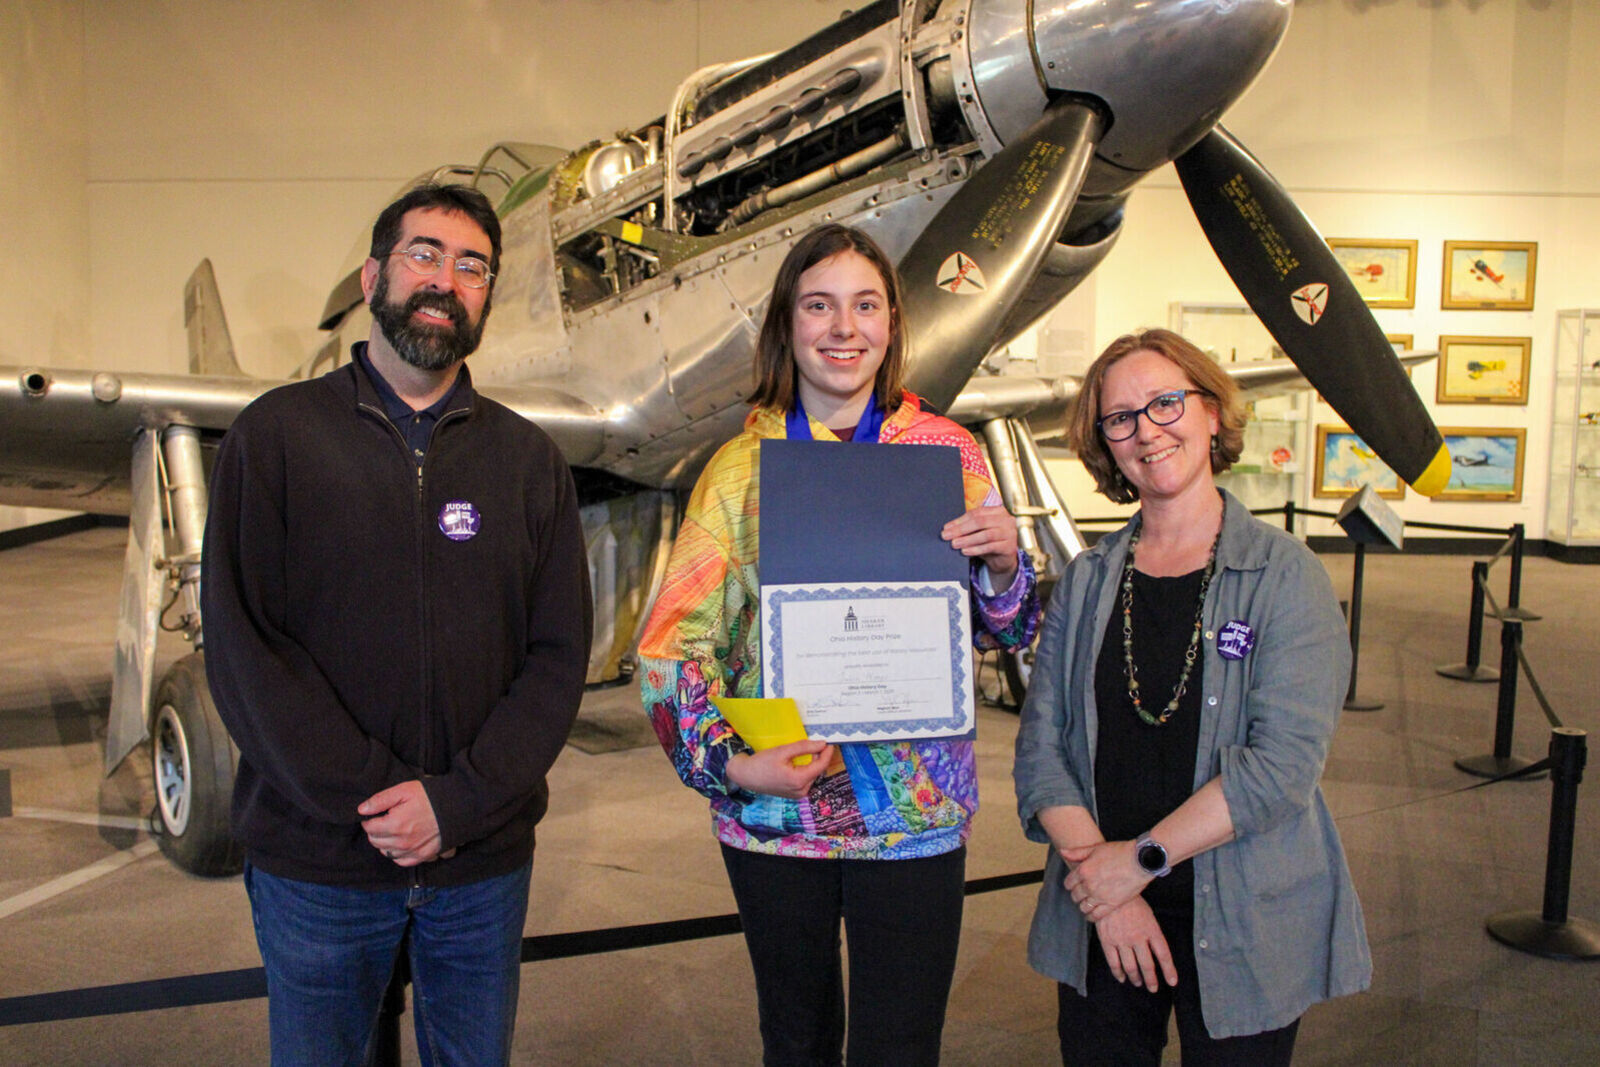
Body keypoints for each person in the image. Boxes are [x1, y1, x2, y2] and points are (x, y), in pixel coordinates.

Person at [202, 183, 593, 1066]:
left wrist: (455, 803)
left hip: (479, 864)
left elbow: (557, 657)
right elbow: (245, 646)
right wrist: (378, 800)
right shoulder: (274, 437)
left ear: (486, 296)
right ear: (373, 277)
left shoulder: (530, 462)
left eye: (472, 267)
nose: (445, 280)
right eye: (424, 254)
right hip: (321, 864)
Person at [638, 223, 1041, 1066]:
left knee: (903, 1045)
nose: (844, 327)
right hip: (777, 813)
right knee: (796, 1042)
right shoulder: (739, 471)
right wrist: (733, 767)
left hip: (917, 817)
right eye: (818, 305)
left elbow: (1008, 627)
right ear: (787, 324)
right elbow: (672, 651)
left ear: (892, 322)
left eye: (865, 305)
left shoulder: (947, 455)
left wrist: (1006, 564)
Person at [1012, 328, 1370, 1065]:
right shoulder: (1087, 580)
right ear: (1105, 444)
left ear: (1210, 412)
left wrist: (1136, 863)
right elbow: (1043, 749)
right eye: (1121, 418)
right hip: (1100, 908)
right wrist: (1107, 888)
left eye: (1166, 403)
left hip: (1243, 916)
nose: (1147, 430)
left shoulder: (1285, 577)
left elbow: (1281, 768)